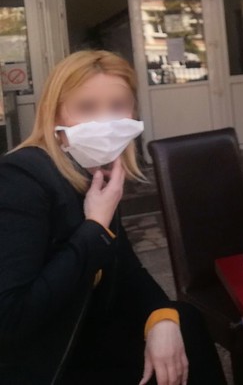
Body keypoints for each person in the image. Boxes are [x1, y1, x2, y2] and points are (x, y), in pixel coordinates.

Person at [0, 50, 225, 385]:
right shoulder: (21, 179)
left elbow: (127, 268)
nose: (104, 121)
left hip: (90, 327)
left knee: (184, 321)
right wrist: (95, 227)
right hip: (51, 358)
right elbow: (12, 318)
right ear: (54, 114)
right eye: (87, 107)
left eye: (118, 106)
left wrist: (162, 318)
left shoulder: (95, 173)